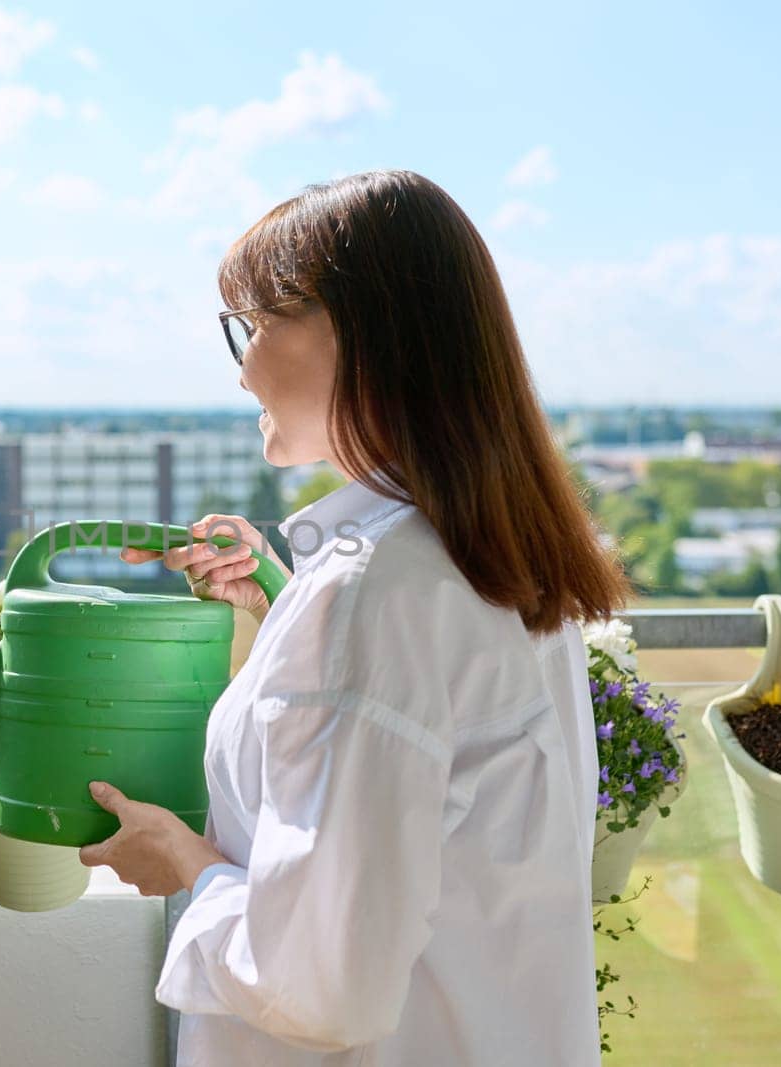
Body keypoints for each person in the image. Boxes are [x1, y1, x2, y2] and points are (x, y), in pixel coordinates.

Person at [77, 169, 630, 1066]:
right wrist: (286, 598)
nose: (245, 364)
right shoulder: (479, 556)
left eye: (254, 326)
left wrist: (181, 859)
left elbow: (320, 982)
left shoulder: (373, 591)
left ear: (363, 336)